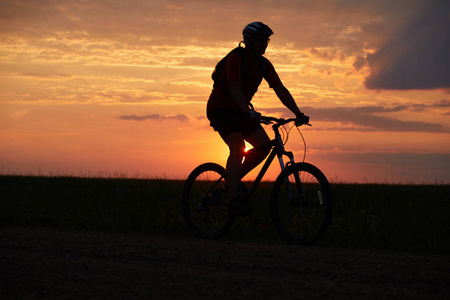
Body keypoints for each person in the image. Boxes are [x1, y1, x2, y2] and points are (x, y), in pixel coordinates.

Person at [206, 21, 309, 216]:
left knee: (264, 147)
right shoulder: (237, 58)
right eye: (261, 40)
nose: (265, 44)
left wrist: (298, 113)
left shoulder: (263, 64)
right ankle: (233, 198)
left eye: (266, 41)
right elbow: (234, 87)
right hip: (221, 109)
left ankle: (232, 182)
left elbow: (280, 89)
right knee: (237, 146)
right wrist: (248, 111)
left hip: (242, 111)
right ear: (249, 41)